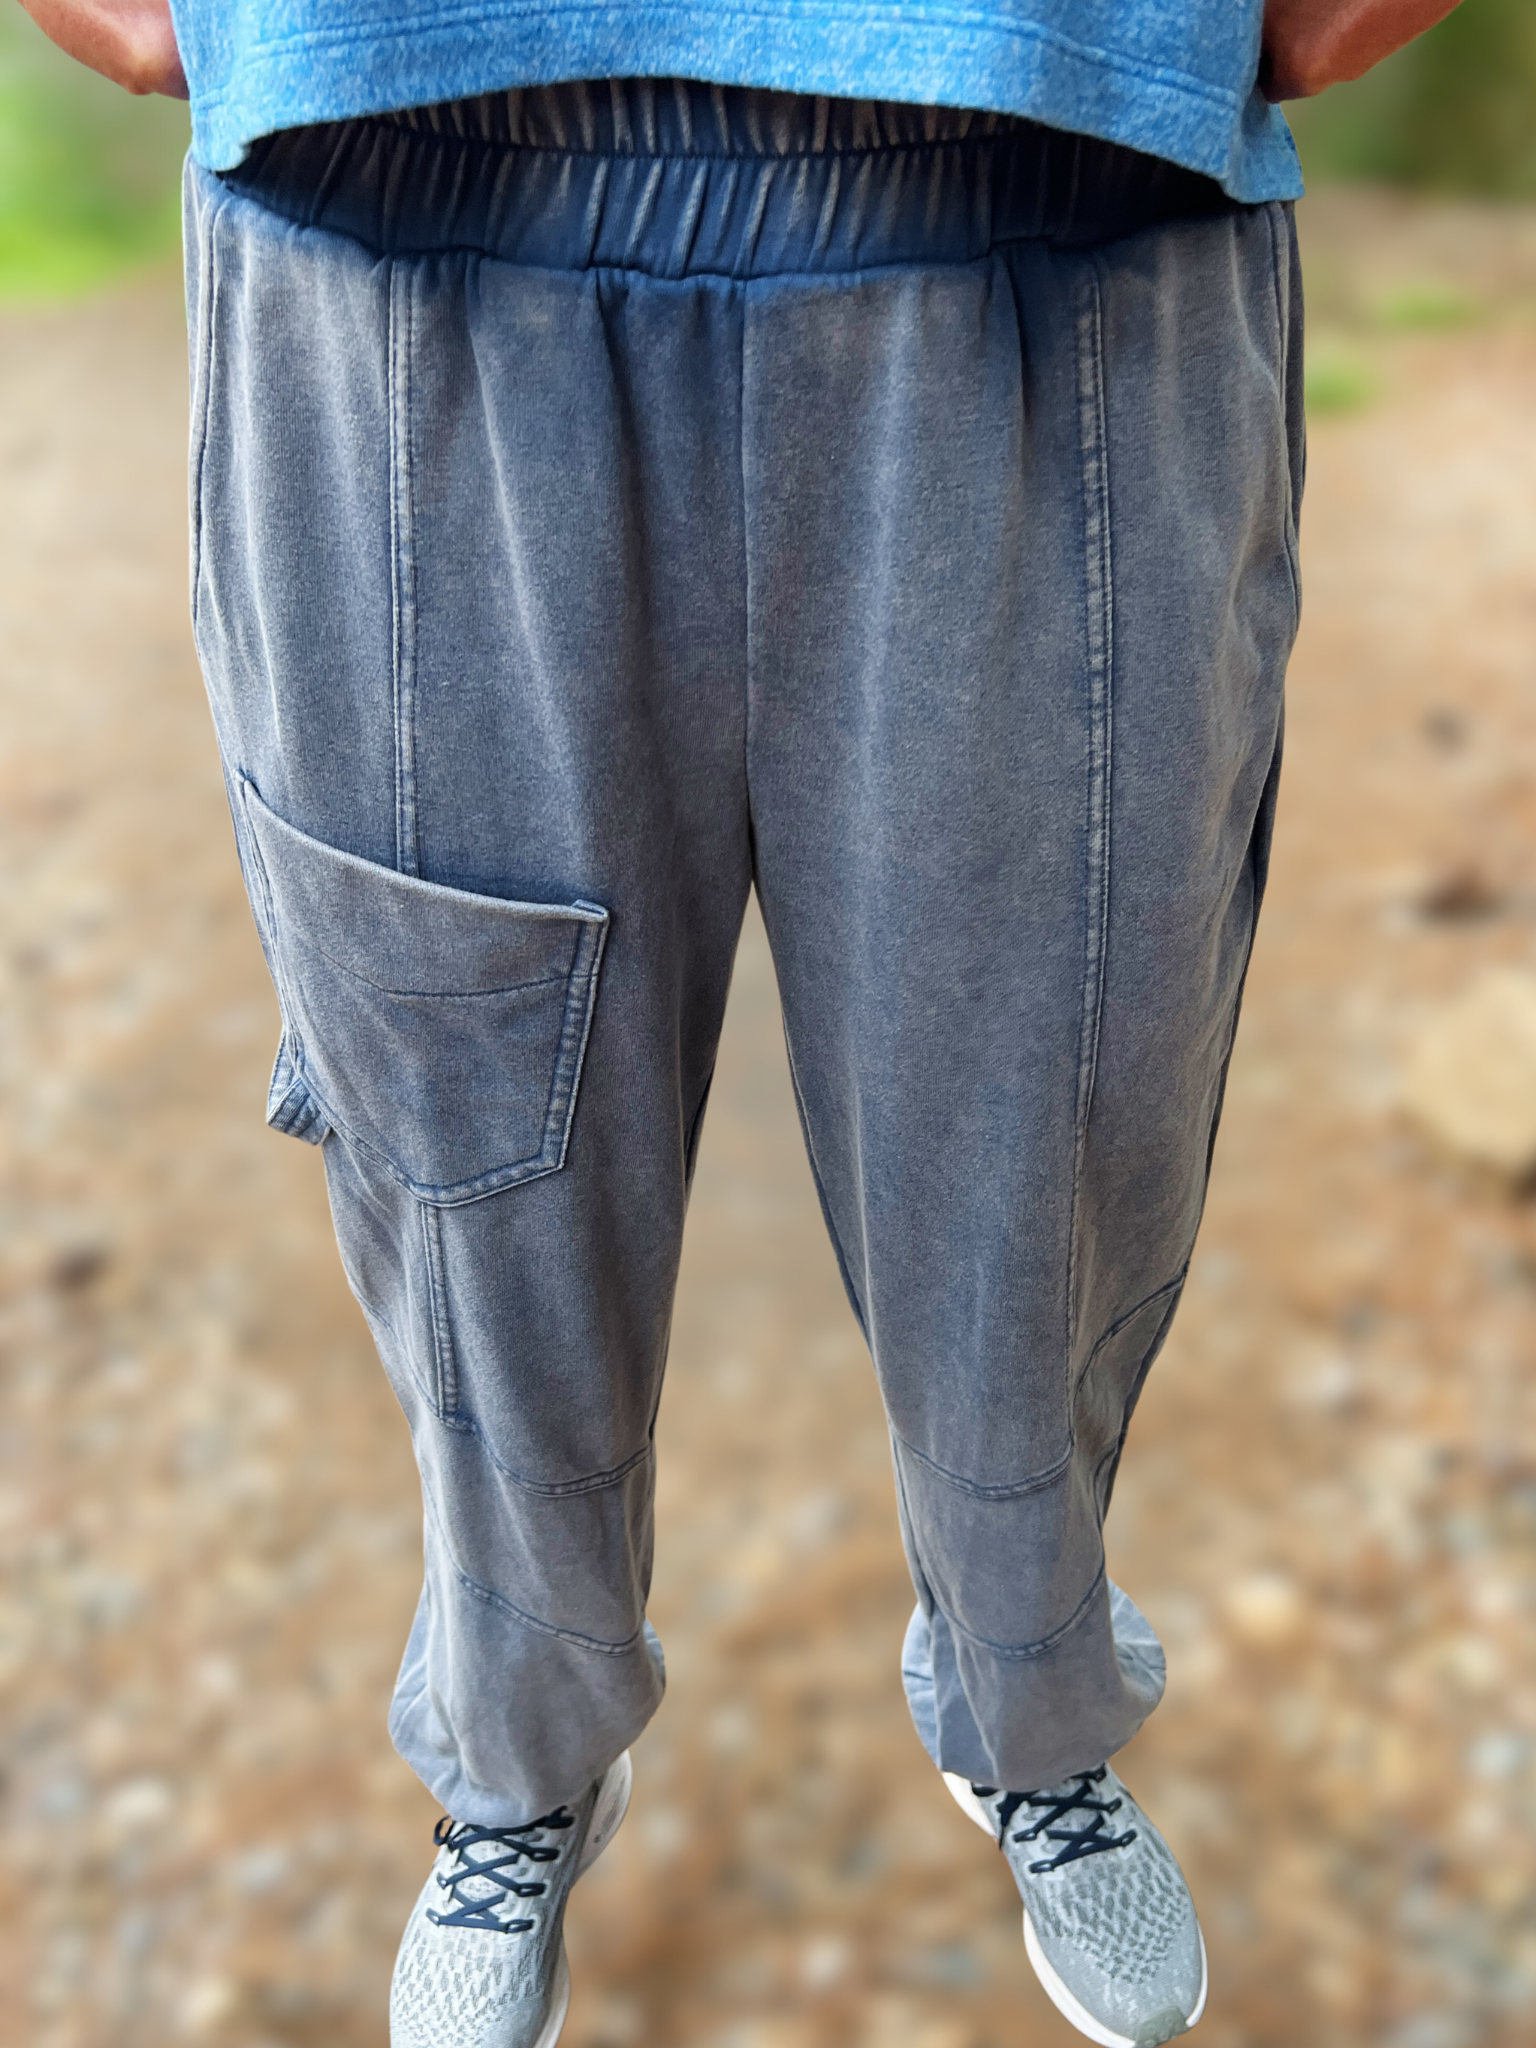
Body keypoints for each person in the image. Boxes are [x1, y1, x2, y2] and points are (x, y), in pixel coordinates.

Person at [23, 3, 1462, 2044]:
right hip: (402, 188)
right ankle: (519, 1748)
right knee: (469, 1125)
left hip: (1061, 179)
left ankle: (1031, 1693)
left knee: (1056, 1084)